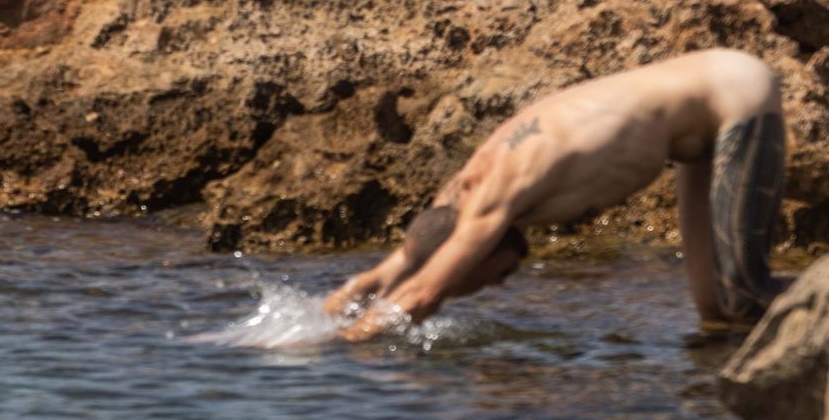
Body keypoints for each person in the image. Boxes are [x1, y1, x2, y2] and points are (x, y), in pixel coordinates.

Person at [325, 49, 786, 339]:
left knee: (743, 293)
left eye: (487, 277)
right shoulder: (460, 197)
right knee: (715, 310)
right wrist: (322, 317)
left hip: (734, 92)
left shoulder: (493, 198)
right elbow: (403, 263)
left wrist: (347, 352)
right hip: (695, 128)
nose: (499, 283)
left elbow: (424, 292)